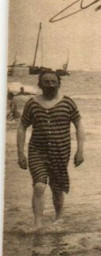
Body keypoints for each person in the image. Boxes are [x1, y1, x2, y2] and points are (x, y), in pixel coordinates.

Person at [17, 72, 85, 230]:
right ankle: (38, 224)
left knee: (57, 188)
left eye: (53, 81)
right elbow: (22, 127)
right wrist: (20, 153)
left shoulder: (67, 102)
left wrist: (80, 150)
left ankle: (58, 219)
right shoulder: (32, 104)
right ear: (40, 84)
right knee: (39, 185)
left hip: (60, 152)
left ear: (59, 83)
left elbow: (79, 125)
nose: (50, 85)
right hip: (37, 151)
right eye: (46, 82)